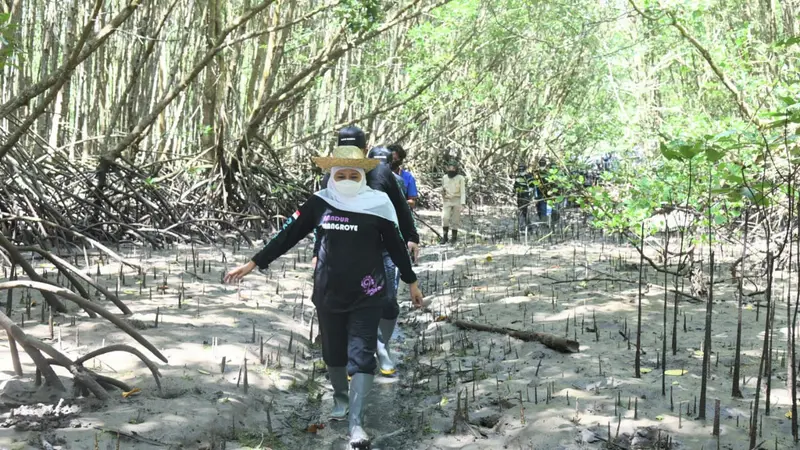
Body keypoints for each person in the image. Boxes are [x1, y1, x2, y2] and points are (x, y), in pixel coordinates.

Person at [224, 145, 424, 449]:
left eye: (352, 174)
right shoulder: (320, 202)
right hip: (328, 292)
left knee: (361, 356)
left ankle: (356, 424)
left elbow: (396, 245)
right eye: (340, 173)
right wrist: (253, 263)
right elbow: (287, 235)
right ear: (331, 175)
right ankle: (340, 398)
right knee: (333, 354)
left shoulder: (379, 203)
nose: (345, 178)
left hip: (368, 292)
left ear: (362, 176)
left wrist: (411, 281)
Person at [314, 128, 421, 378]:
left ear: (364, 150)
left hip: (383, 250)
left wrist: (412, 237)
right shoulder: (329, 177)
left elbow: (401, 208)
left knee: (388, 304)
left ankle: (381, 347)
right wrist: (317, 250)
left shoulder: (382, 172)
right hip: (342, 254)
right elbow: (321, 217)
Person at [440, 160, 466, 244]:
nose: (451, 169)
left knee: (455, 219)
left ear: (456, 169)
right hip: (447, 200)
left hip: (457, 199)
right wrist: (442, 194)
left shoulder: (460, 178)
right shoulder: (444, 177)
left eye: (453, 168)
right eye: (450, 168)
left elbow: (463, 191)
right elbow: (443, 188)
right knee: (445, 217)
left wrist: (462, 204)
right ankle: (445, 237)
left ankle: (454, 237)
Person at [387, 144, 419, 209]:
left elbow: (413, 203)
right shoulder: (380, 175)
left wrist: (399, 203)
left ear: (400, 160)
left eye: (395, 159)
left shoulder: (408, 177)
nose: (393, 161)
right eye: (391, 159)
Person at [514, 163, 535, 230]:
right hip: (519, 196)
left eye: (521, 169)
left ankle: (527, 226)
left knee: (525, 211)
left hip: (526, 196)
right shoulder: (518, 177)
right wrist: (514, 192)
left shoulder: (528, 176)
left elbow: (532, 186)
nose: (520, 171)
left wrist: (527, 191)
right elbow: (515, 185)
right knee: (521, 211)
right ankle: (523, 226)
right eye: (519, 169)